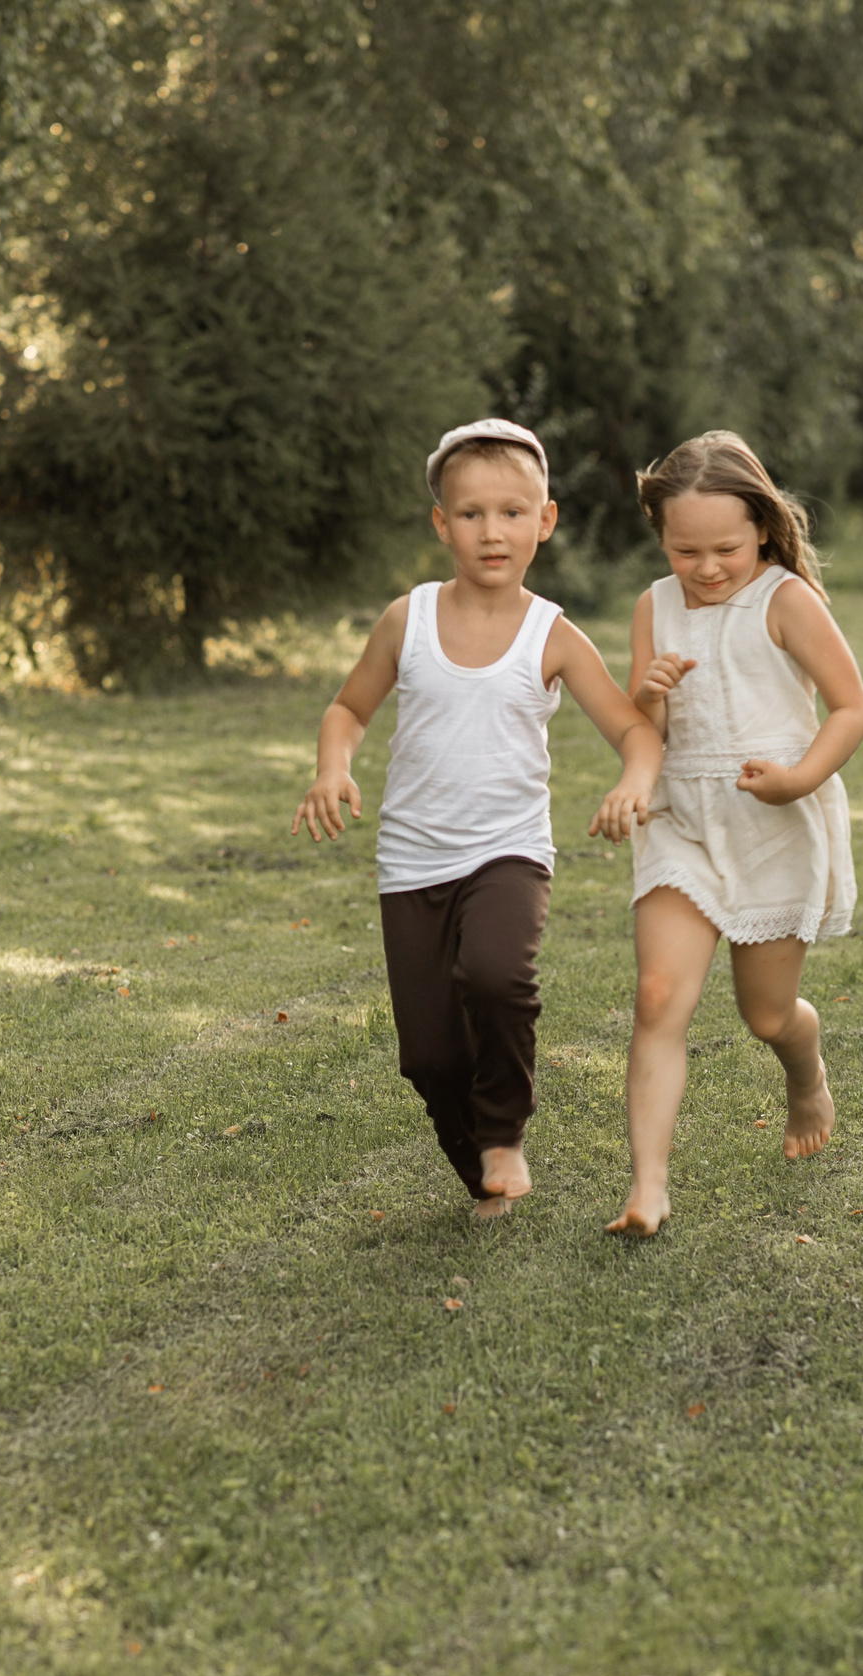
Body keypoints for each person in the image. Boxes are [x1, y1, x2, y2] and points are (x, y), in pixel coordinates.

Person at [295, 420, 662, 1218]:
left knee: (497, 975)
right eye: (471, 514)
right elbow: (348, 709)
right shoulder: (408, 619)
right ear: (441, 523)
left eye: (511, 512)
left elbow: (634, 730)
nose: (492, 532)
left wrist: (634, 780)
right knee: (427, 1054)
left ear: (545, 520)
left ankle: (503, 1131)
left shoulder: (553, 634)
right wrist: (333, 766)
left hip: (508, 851)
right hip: (412, 860)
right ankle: (481, 1174)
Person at [607, 431, 863, 1238]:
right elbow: (646, 732)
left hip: (771, 823)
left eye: (725, 548)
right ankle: (648, 1188)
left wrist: (798, 779)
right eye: (685, 550)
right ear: (661, 536)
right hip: (682, 823)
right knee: (658, 997)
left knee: (767, 1015)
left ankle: (806, 1070)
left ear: (761, 526)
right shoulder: (654, 606)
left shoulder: (786, 600)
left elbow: (851, 709)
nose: (708, 567)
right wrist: (648, 695)